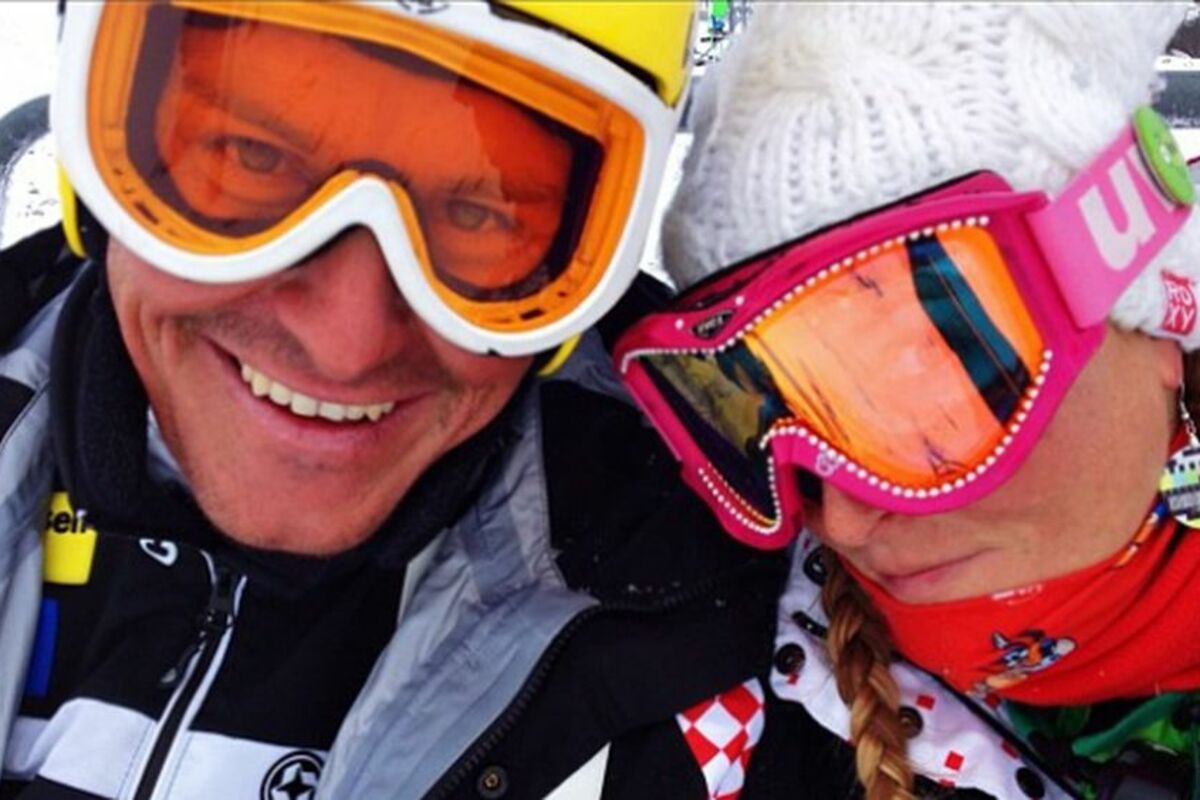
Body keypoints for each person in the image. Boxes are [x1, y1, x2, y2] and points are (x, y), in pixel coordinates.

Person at [0, 3, 828, 798]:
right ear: (98, 158)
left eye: (481, 213)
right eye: (251, 157)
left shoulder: (713, 636)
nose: (346, 343)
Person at [616, 3, 1200, 799]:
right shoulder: (725, 697)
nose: (842, 522)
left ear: (1153, 314)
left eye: (921, 380)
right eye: (749, 415)